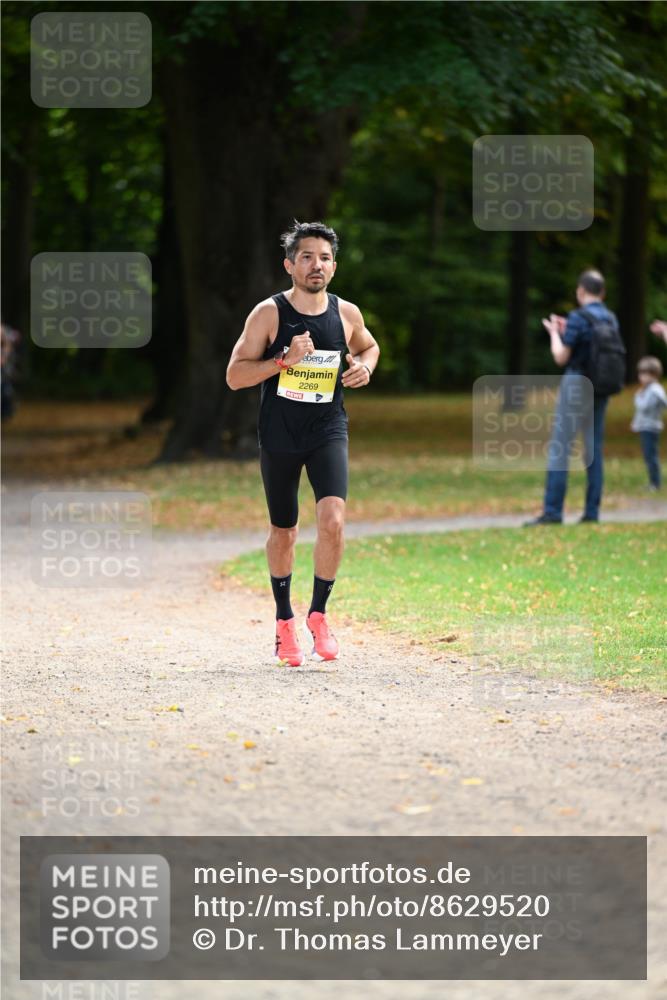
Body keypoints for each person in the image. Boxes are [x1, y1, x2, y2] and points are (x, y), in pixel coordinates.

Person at [226, 221, 380, 666]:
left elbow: (369, 347)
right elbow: (235, 376)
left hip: (327, 428)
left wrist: (366, 367)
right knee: (285, 530)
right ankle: (284, 623)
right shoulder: (268, 314)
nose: (317, 265)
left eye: (326, 258)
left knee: (333, 520)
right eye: (308, 257)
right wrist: (283, 360)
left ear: (334, 266)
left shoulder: (346, 313)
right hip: (279, 434)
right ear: (290, 264)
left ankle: (318, 615)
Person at [525, 269, 619, 525]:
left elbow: (561, 357)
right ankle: (592, 512)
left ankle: (553, 511)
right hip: (600, 387)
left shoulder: (579, 316)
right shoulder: (610, 318)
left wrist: (555, 333)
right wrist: (570, 331)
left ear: (580, 291)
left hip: (577, 384)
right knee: (594, 448)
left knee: (561, 446)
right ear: (603, 293)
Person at [631, 356, 667, 491]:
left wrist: (637, 397)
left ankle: (655, 483)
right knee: (649, 456)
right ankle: (653, 482)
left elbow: (644, 407)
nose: (642, 377)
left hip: (650, 427)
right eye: (641, 373)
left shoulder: (653, 390)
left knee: (651, 456)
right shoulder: (650, 389)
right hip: (645, 426)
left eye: (645, 374)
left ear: (654, 374)